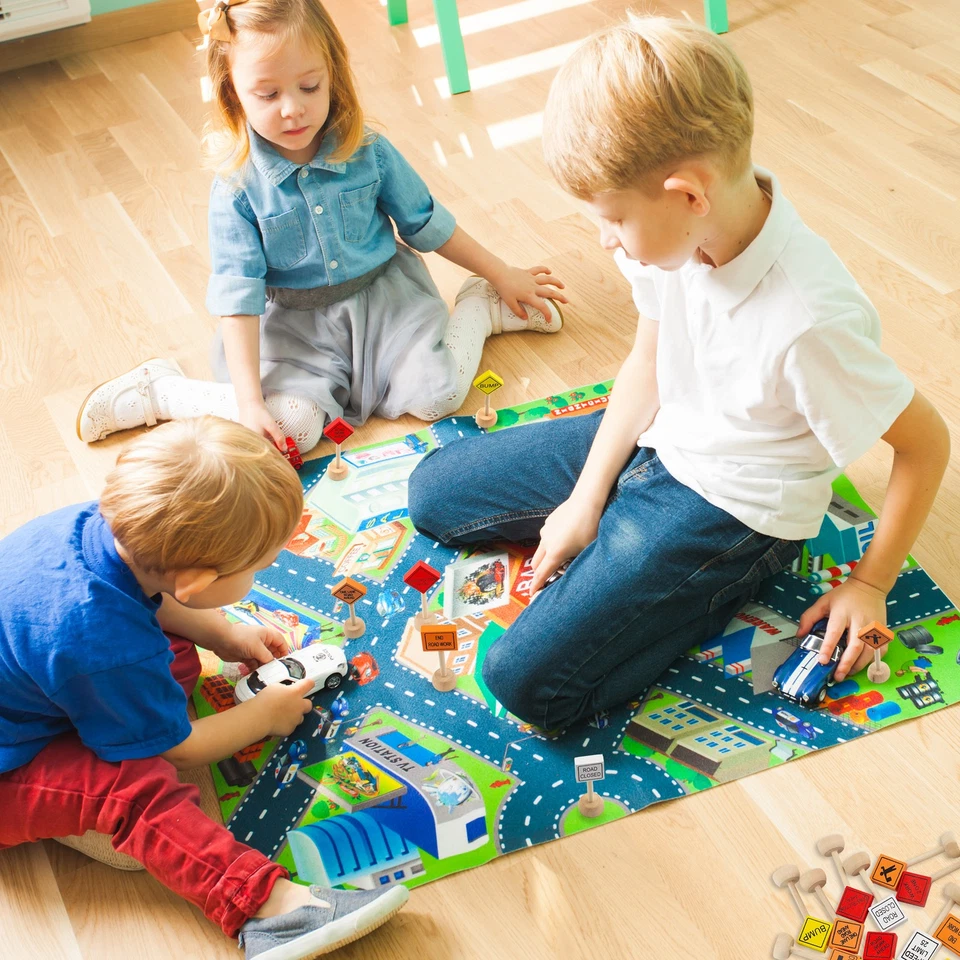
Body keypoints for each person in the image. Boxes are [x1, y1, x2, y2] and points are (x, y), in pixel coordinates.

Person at [407, 15, 950, 733]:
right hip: (661, 442)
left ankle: (714, 584)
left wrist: (871, 583)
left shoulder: (809, 322)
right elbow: (650, 360)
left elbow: (925, 443)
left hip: (732, 508)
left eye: (611, 218)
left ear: (688, 194)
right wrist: (587, 499)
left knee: (527, 683)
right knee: (432, 493)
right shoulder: (670, 238)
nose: (603, 239)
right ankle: (632, 562)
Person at [76, 0, 566, 453]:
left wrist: (502, 274)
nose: (293, 108)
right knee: (294, 429)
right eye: (267, 94)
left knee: (438, 395)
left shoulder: (370, 151)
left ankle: (480, 307)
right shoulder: (236, 188)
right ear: (232, 92)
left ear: (334, 75)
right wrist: (248, 404)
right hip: (296, 332)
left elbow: (426, 222)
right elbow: (238, 296)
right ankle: (162, 393)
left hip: (387, 309)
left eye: (309, 87)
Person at [0, 418, 408, 959]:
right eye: (258, 568)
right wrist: (263, 716)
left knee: (176, 653)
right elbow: (180, 747)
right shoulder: (108, 643)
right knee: (131, 791)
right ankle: (269, 912)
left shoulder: (92, 527)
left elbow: (160, 598)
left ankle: (100, 724)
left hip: (44, 678)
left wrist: (224, 632)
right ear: (196, 580)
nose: (263, 574)